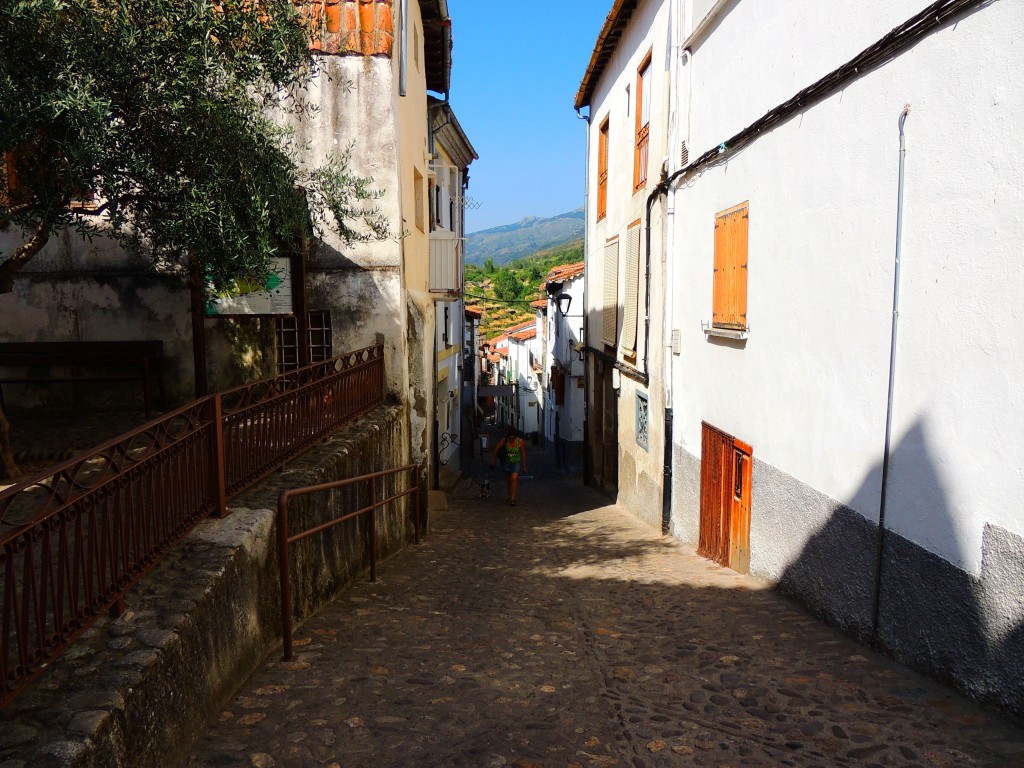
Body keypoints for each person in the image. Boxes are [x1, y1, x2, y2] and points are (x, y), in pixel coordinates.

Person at [491, 426, 527, 505]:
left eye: (513, 438)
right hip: (506, 463)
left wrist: (524, 466)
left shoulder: (520, 442)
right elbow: (496, 450)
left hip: (516, 463)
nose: (511, 439)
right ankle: (510, 496)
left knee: (514, 479)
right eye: (510, 438)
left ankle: (513, 499)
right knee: (508, 481)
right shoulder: (504, 441)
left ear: (515, 436)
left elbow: (523, 453)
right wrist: (493, 461)